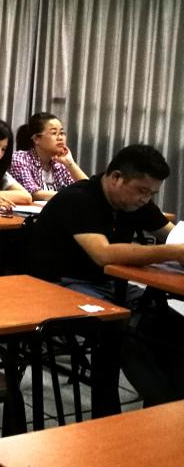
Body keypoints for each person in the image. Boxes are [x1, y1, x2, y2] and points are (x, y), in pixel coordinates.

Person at [29, 145, 184, 406]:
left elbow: (172, 235)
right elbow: (103, 254)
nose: (145, 199)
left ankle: (174, 405)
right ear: (116, 178)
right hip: (58, 285)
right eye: (142, 191)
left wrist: (177, 246)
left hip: (109, 284)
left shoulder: (136, 203)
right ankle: (146, 407)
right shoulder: (78, 199)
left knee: (170, 325)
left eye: (152, 193)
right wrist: (173, 252)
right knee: (122, 332)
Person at [10, 112, 89, 200]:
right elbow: (33, 193)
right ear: (36, 139)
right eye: (54, 133)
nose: (60, 138)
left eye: (62, 133)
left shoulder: (60, 164)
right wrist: (72, 195)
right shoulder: (20, 159)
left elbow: (89, 189)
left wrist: (70, 163)